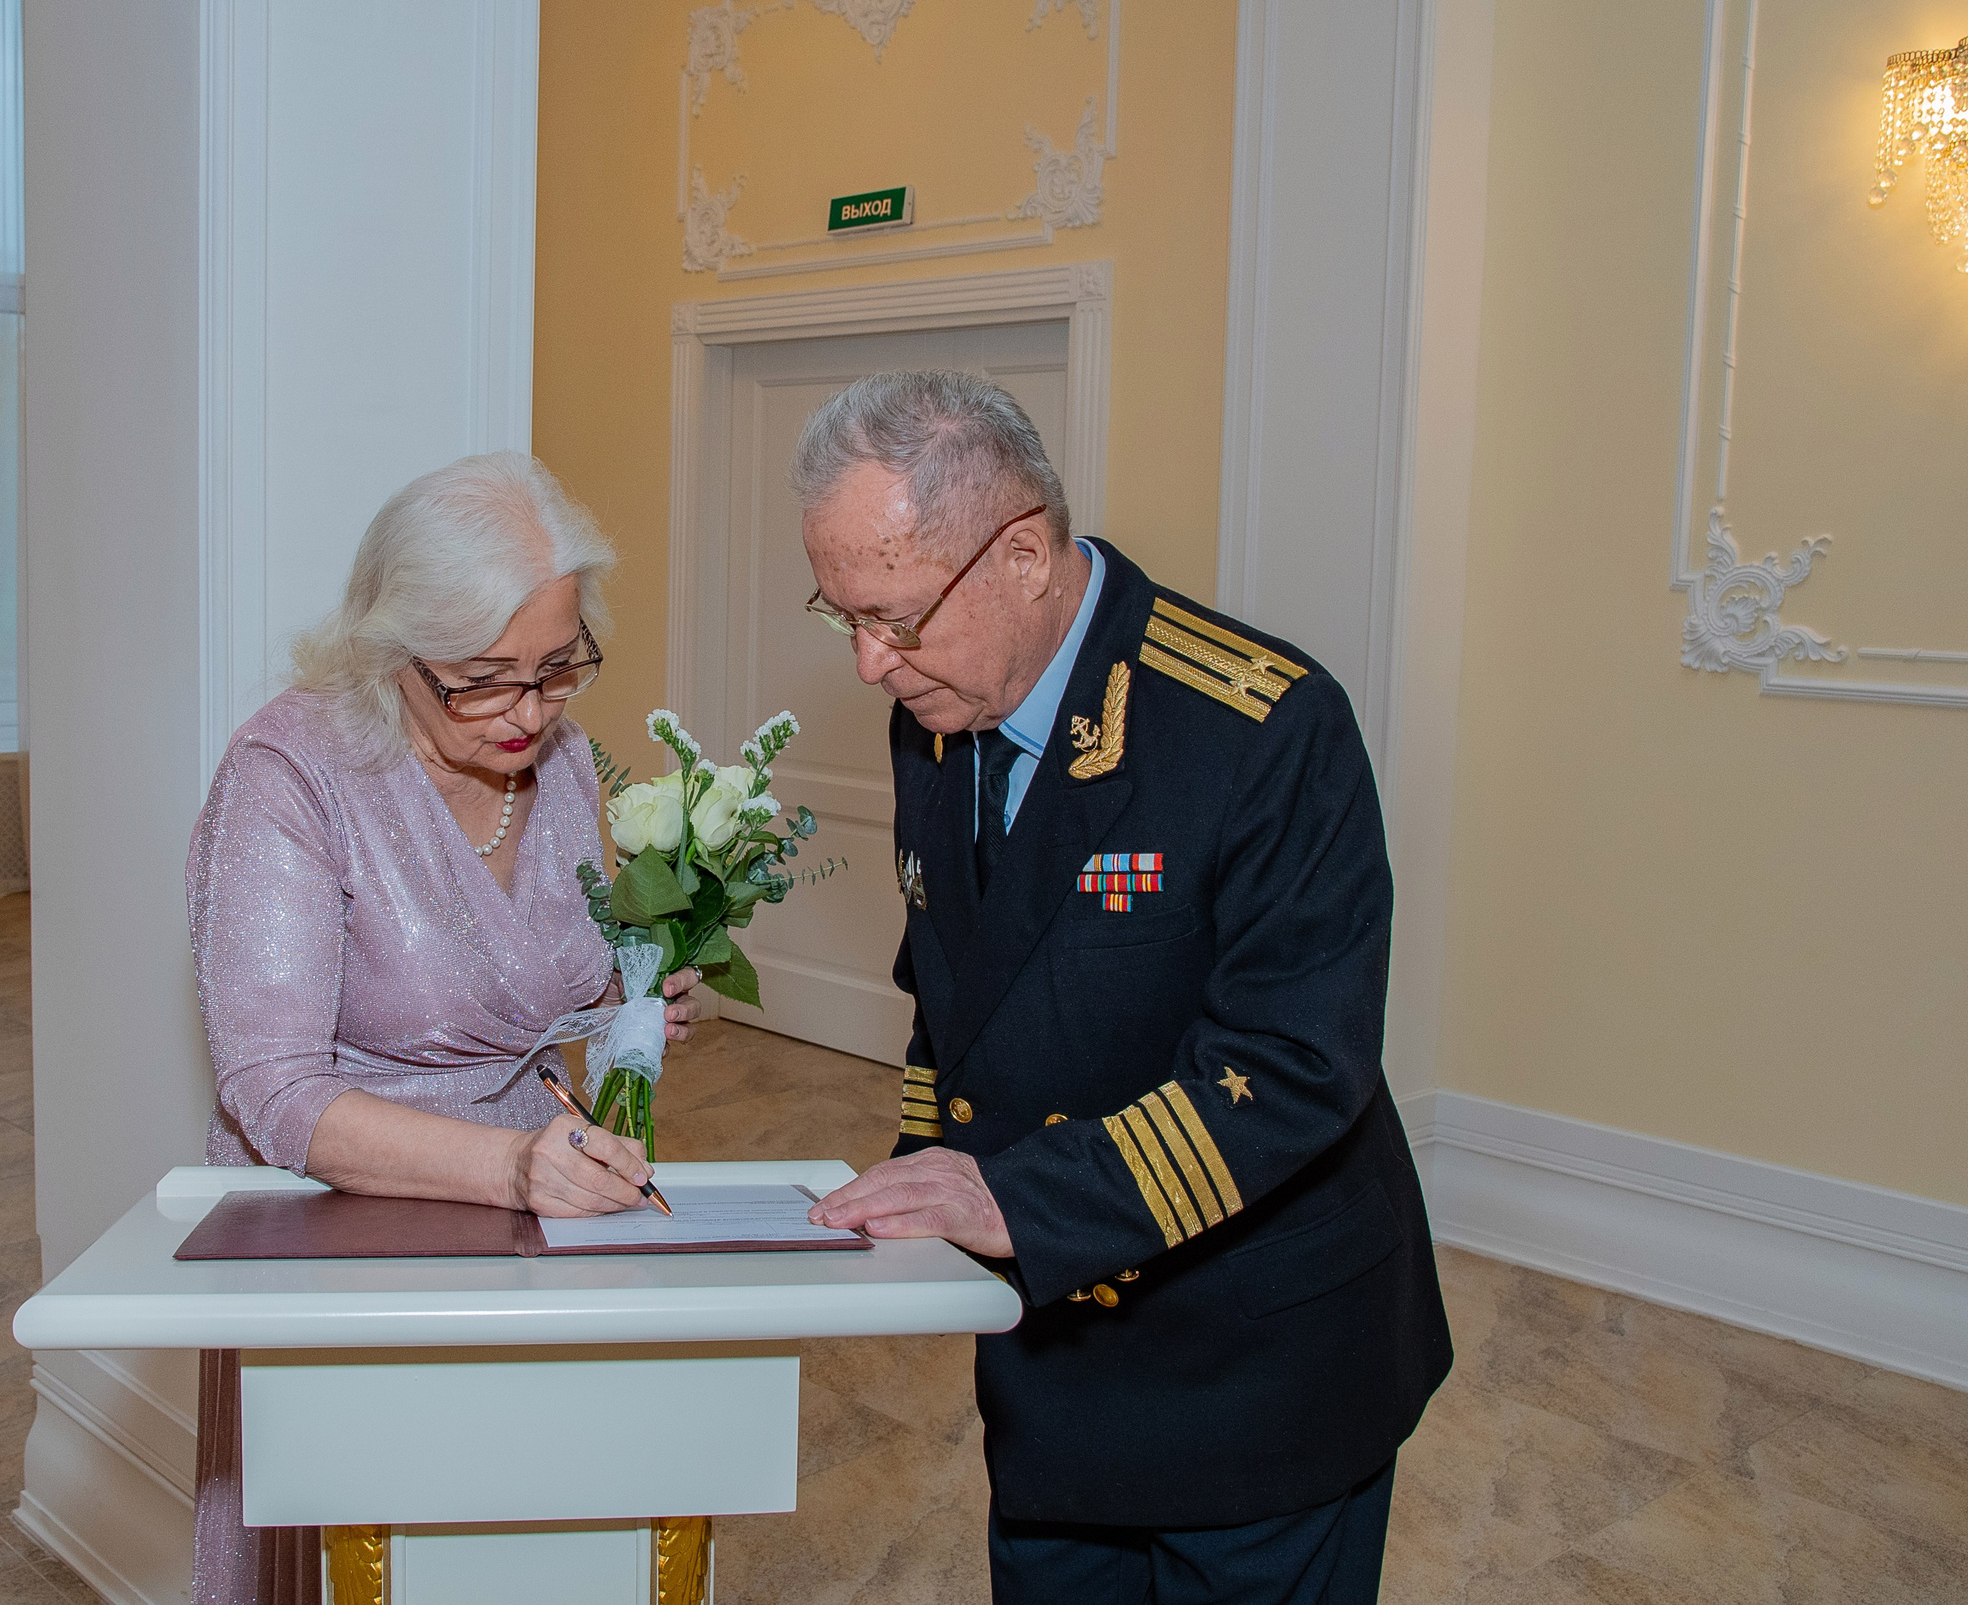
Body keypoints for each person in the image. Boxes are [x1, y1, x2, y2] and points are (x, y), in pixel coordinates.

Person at [795, 372, 1452, 1605]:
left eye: (896, 616)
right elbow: (952, 991)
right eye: (843, 617)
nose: (873, 662)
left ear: (1026, 552)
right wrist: (927, 1176)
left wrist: (1006, 1198)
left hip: (1258, 1368)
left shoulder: (1258, 726)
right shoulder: (938, 706)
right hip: (1055, 1366)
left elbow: (1294, 1063)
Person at [183, 452, 697, 1605]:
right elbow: (270, 1086)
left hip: (537, 1223)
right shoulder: (292, 773)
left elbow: (522, 985)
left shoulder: (556, 762)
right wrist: (512, 1166)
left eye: (559, 666)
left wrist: (623, 1010)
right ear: (387, 653)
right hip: (342, 1228)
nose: (528, 712)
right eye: (484, 679)